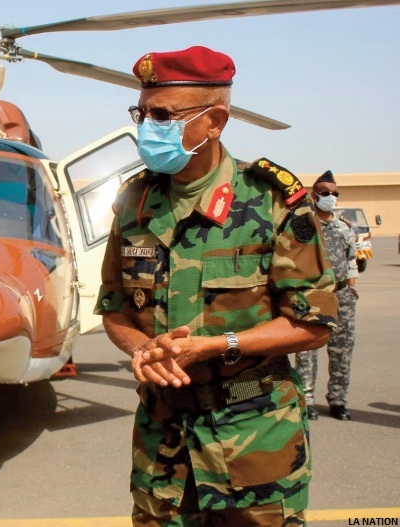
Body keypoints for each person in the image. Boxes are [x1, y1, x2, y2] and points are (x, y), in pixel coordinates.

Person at [95, 46, 339, 526]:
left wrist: (216, 346)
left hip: (256, 441)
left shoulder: (271, 201)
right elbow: (115, 307)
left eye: (163, 115)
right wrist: (142, 348)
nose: (147, 128)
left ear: (215, 121)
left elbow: (314, 324)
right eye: (142, 114)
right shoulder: (133, 201)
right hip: (162, 447)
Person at [295, 171, 359, 421]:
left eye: (334, 193)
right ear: (314, 195)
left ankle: (338, 400)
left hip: (342, 295)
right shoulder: (305, 225)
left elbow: (351, 259)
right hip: (314, 294)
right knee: (307, 350)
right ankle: (307, 399)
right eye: (325, 193)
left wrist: (351, 288)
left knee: (342, 350)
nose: (330, 197)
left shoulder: (344, 227)